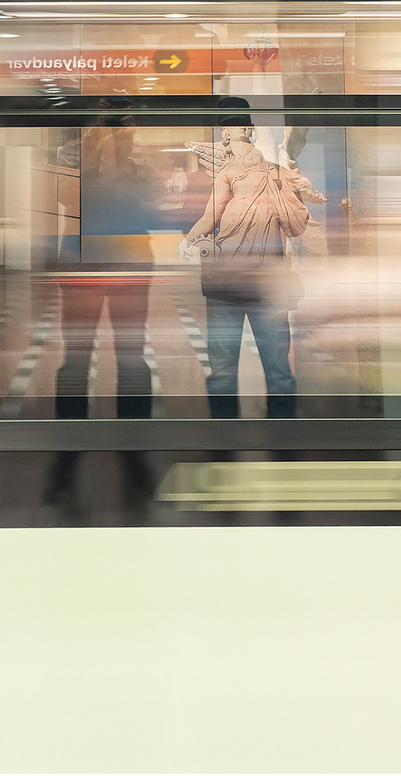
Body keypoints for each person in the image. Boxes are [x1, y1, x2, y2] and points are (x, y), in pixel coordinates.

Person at [179, 98, 323, 427]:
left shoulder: (259, 172)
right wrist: (188, 240)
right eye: (233, 130)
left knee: (259, 368)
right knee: (247, 368)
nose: (237, 136)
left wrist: (186, 242)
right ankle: (250, 433)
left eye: (239, 130)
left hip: (251, 278)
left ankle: (262, 434)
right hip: (240, 277)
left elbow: (211, 216)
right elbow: (212, 216)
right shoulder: (251, 172)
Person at [44, 97, 158, 509]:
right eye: (113, 121)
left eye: (123, 122)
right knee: (76, 357)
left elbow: (149, 200)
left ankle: (134, 447)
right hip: (83, 262)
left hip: (128, 261)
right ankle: (69, 448)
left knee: (131, 356)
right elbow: (63, 198)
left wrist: (120, 157)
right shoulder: (73, 151)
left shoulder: (140, 157)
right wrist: (97, 155)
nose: (118, 128)